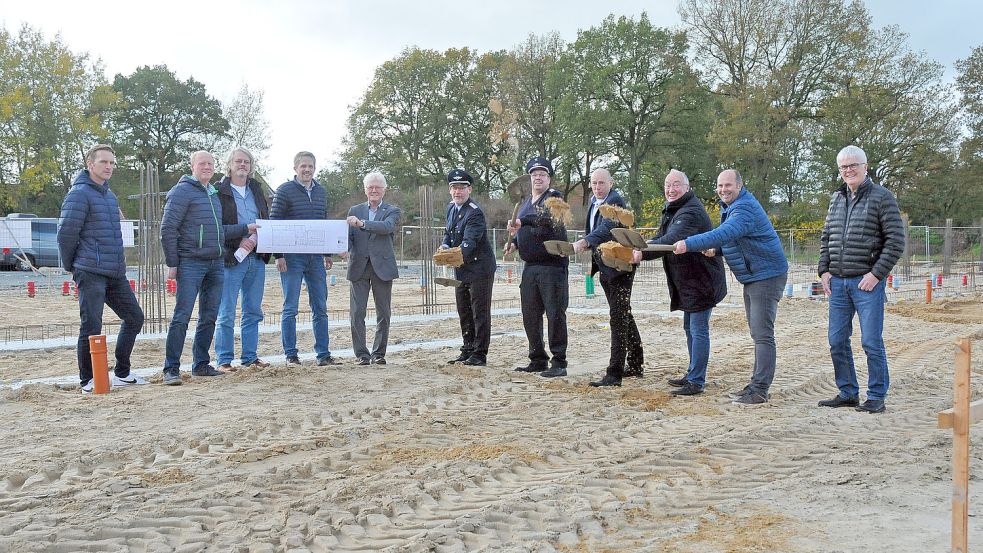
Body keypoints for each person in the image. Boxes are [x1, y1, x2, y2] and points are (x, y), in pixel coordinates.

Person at [675, 169, 788, 405]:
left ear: (739, 186)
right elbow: (739, 240)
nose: (723, 190)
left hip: (766, 276)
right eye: (719, 186)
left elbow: (725, 232)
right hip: (754, 275)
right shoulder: (733, 207)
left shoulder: (744, 208)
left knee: (762, 334)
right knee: (758, 333)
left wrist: (688, 244)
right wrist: (718, 250)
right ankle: (755, 384)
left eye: (728, 185)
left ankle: (759, 389)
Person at [817, 145, 905, 414]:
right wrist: (824, 270)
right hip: (839, 284)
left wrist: (876, 274)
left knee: (870, 341)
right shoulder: (836, 199)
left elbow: (896, 241)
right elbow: (827, 237)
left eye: (853, 165)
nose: (848, 170)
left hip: (866, 283)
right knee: (836, 341)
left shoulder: (882, 197)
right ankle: (847, 392)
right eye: (843, 166)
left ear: (866, 166)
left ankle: (876, 396)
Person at [57, 144, 147, 393]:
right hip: (90, 270)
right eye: (104, 162)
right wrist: (71, 265)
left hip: (114, 271)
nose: (109, 167)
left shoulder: (110, 195)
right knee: (91, 325)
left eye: (112, 163)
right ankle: (88, 378)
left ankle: (122, 372)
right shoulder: (79, 194)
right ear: (90, 164)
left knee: (134, 317)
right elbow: (66, 233)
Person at [639, 170, 726, 396]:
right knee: (690, 328)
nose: (671, 189)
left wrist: (641, 253)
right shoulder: (674, 209)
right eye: (668, 185)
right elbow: (659, 236)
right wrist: (641, 245)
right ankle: (691, 373)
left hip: (701, 280)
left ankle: (696, 381)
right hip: (688, 282)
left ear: (686, 188)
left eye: (676, 184)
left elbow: (670, 240)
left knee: (698, 330)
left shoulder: (690, 212)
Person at [161, 151, 237, 385]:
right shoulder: (182, 192)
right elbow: (168, 228)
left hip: (215, 262)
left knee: (209, 316)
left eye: (210, 164)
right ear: (192, 166)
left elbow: (220, 231)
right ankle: (171, 368)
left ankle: (201, 364)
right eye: (202, 163)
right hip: (191, 262)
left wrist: (246, 229)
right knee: (182, 315)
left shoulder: (213, 193)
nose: (207, 167)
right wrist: (172, 262)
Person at [570, 168, 643, 386]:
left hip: (620, 268)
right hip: (605, 266)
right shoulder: (594, 202)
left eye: (601, 183)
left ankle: (614, 374)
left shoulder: (616, 202)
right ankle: (636, 363)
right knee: (624, 314)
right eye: (593, 183)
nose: (597, 186)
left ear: (611, 183)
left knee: (618, 318)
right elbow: (595, 228)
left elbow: (607, 228)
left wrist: (584, 242)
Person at [270, 151, 339, 366]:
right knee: (290, 307)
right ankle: (291, 354)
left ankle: (323, 354)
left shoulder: (320, 191)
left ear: (314, 168)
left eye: (310, 166)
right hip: (292, 258)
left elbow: (323, 221)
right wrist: (279, 255)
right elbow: (275, 222)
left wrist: (327, 252)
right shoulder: (284, 190)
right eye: (303, 166)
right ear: (295, 168)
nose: (307, 170)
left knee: (320, 306)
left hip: (315, 257)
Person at [506, 156, 569, 377]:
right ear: (529, 178)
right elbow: (526, 229)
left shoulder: (554, 198)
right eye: (534, 175)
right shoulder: (525, 204)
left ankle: (559, 361)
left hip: (552, 265)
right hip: (530, 266)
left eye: (542, 174)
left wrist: (523, 222)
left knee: (555, 313)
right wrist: (514, 243)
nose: (538, 178)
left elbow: (545, 220)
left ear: (549, 178)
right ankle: (537, 358)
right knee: (530, 314)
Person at [213, 147, 271, 372]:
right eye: (238, 161)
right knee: (226, 311)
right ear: (229, 165)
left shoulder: (257, 190)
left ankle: (250, 357)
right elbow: (217, 226)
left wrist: (258, 238)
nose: (242, 165)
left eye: (246, 162)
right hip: (231, 258)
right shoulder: (218, 191)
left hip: (256, 256)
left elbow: (265, 218)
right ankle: (224, 359)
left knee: (253, 309)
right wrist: (238, 241)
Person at [345, 171, 402, 365]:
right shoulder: (354, 209)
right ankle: (361, 354)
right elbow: (349, 237)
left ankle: (379, 354)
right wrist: (342, 248)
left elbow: (386, 227)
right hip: (358, 267)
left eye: (378, 187)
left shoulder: (392, 211)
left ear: (384, 190)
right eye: (371, 187)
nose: (374, 190)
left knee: (383, 313)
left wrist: (362, 224)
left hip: (383, 267)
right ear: (365, 190)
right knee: (357, 313)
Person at [442, 169, 496, 366]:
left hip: (479, 268)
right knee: (463, 310)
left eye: (461, 188)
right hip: (461, 267)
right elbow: (448, 233)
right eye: (454, 188)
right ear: (450, 190)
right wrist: (445, 246)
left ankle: (480, 353)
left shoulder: (475, 213)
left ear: (469, 189)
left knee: (479, 311)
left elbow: (468, 243)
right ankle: (467, 348)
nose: (457, 192)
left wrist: (449, 256)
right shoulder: (451, 209)